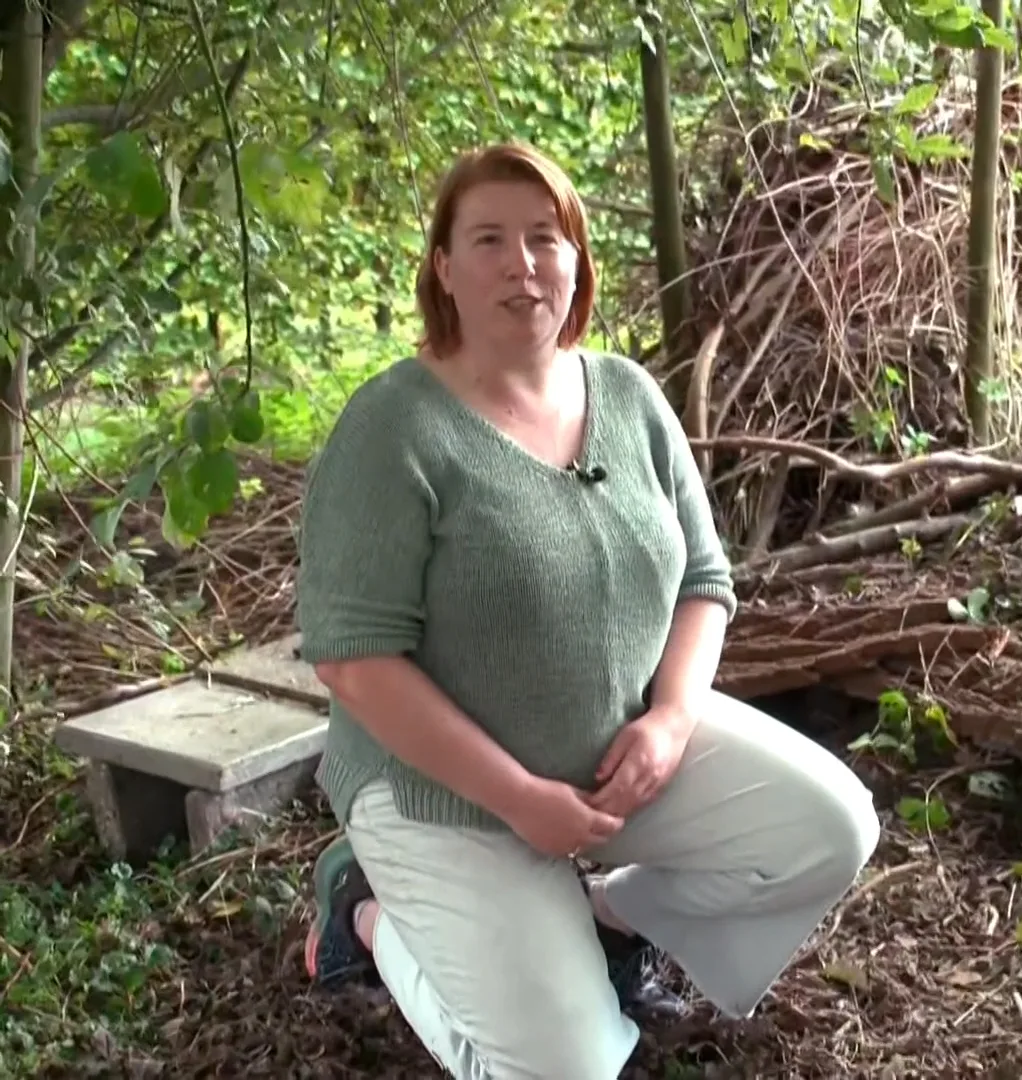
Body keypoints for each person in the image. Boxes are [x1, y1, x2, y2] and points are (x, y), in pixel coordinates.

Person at [292, 140, 881, 1080]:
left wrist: (670, 721)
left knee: (829, 832)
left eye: (545, 237)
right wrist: (520, 801)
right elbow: (353, 662)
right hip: (441, 796)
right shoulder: (391, 428)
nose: (522, 264)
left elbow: (704, 581)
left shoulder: (630, 396)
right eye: (488, 238)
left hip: (613, 761)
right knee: (566, 1073)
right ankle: (370, 913)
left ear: (577, 260)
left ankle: (603, 922)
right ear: (443, 267)